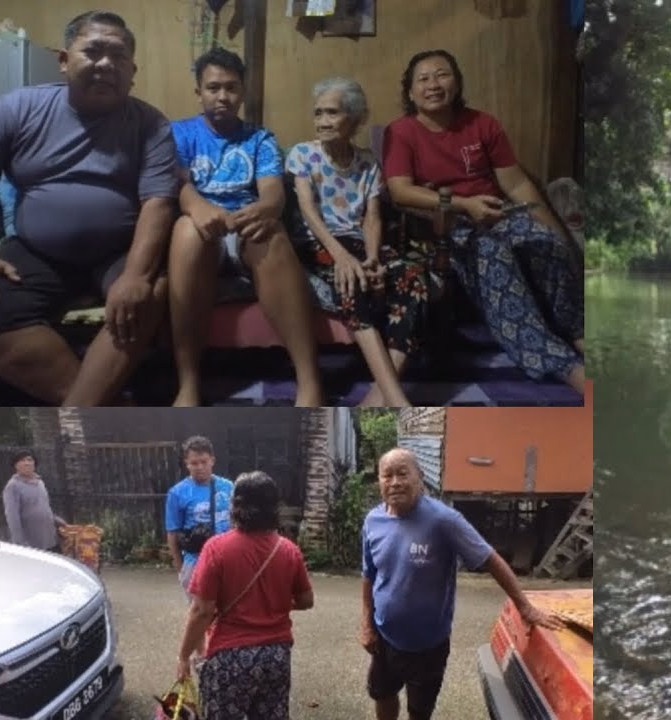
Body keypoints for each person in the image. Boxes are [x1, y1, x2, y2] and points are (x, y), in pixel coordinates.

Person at [0, 10, 179, 406]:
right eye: (93, 51)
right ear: (63, 60)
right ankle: (99, 410)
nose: (105, 64)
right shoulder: (19, 108)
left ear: (133, 71)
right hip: (37, 251)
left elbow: (159, 202)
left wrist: (135, 274)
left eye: (118, 56)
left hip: (120, 250)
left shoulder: (151, 124)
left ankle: (77, 420)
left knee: (149, 292)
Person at [382, 50, 586, 395]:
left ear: (457, 82)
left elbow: (517, 184)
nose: (433, 84)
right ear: (411, 92)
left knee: (545, 243)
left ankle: (578, 333)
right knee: (493, 255)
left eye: (442, 75)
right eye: (424, 79)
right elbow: (400, 192)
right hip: (445, 225)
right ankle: (563, 364)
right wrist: (463, 204)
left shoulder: (482, 124)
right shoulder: (401, 132)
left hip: (496, 213)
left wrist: (559, 236)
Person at [167, 47, 324, 407]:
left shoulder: (260, 139)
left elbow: (272, 194)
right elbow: (178, 185)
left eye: (231, 88)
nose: (223, 96)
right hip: (201, 229)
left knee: (270, 232)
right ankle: (188, 383)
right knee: (186, 230)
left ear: (242, 92)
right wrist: (200, 208)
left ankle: (310, 381)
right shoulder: (178, 134)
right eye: (213, 87)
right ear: (199, 91)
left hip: (243, 227)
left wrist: (264, 209)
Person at [361, 447, 564, 720]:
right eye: (387, 475)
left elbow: (490, 559)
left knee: (419, 711)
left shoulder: (443, 520)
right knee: (383, 695)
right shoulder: (373, 521)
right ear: (379, 481)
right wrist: (366, 624)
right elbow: (369, 574)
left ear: (420, 478)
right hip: (384, 638)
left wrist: (524, 606)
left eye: (402, 474)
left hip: (428, 646)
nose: (395, 482)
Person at [286, 77, 427, 407]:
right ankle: (396, 398)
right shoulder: (303, 155)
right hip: (318, 243)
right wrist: (342, 258)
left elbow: (372, 217)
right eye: (318, 113)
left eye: (332, 113)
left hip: (361, 244)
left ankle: (377, 397)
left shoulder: (367, 162)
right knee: (351, 282)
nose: (322, 121)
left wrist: (373, 258)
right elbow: (308, 212)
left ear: (355, 117)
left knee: (414, 279)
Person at [176, 471, 314, 720]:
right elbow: (306, 601)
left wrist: (184, 656)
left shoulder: (216, 548)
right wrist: (275, 603)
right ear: (274, 508)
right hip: (276, 656)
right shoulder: (288, 550)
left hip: (230, 656)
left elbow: (202, 611)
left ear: (235, 505)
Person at [165, 435, 234, 598]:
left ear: (212, 460)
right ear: (186, 464)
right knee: (200, 611)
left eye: (204, 461)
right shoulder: (177, 493)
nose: (200, 467)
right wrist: (180, 568)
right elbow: (172, 532)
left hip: (228, 559)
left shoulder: (228, 486)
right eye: (194, 463)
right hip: (195, 561)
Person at [1, 449, 65, 551]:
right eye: (22, 460)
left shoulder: (40, 482)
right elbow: (12, 518)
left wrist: (57, 520)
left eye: (29, 460)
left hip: (50, 538)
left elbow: (44, 507)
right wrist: (21, 544)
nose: (27, 463)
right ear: (15, 465)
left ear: (34, 463)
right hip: (32, 543)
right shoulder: (12, 486)